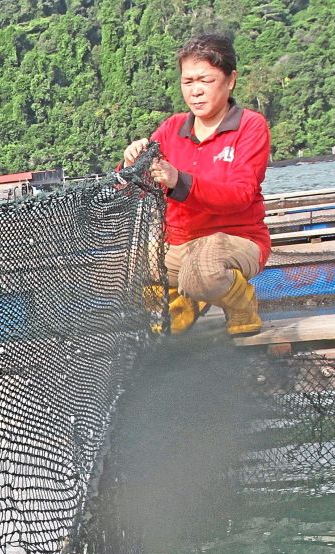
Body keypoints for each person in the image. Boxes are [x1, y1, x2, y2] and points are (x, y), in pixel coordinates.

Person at [123, 33, 271, 336]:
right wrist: (129, 166)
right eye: (188, 82)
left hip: (238, 239)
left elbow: (241, 195)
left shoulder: (250, 126)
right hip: (178, 243)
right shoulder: (171, 128)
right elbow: (132, 190)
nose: (196, 92)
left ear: (230, 80)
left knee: (202, 271)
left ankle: (241, 304)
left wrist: (180, 181)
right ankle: (182, 300)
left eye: (205, 80)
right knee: (115, 271)